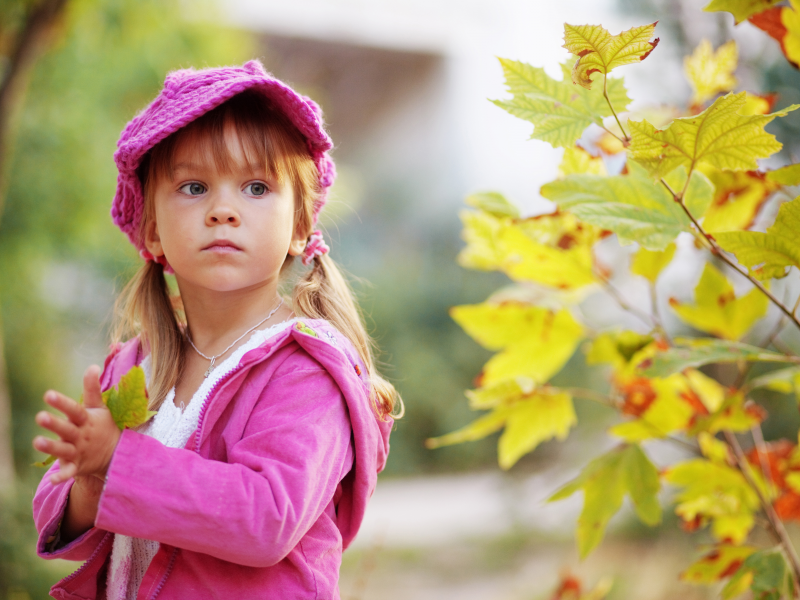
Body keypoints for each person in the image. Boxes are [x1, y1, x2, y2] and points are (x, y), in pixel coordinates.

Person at [30, 59, 400, 600]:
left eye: (255, 187)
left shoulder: (306, 370)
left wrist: (119, 461)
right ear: (152, 229)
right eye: (194, 187)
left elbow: (267, 519)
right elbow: (63, 516)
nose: (223, 210)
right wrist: (88, 476)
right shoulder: (136, 366)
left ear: (300, 226)